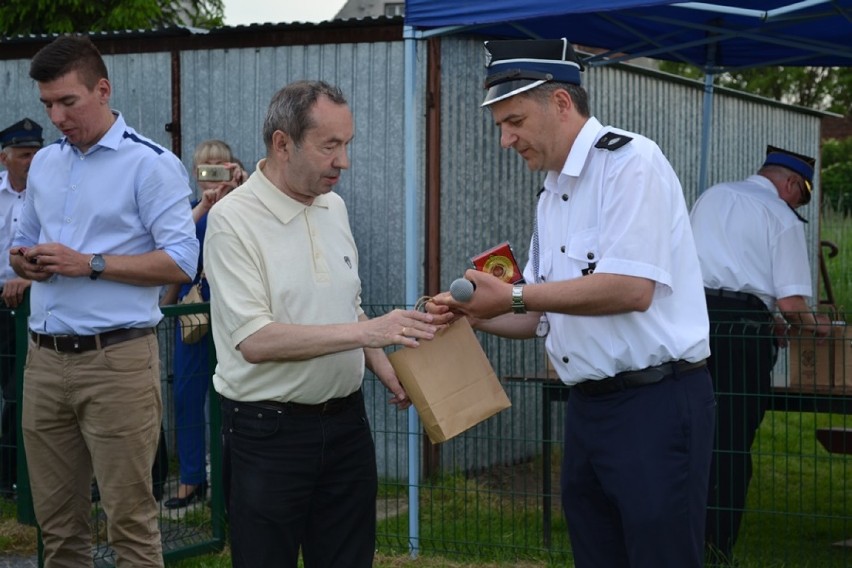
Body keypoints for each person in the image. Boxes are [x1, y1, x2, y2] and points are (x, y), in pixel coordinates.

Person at [429, 38, 716, 568]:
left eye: (513, 120)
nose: (505, 140)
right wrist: (475, 313)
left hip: (655, 403)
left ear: (561, 103)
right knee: (596, 552)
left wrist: (511, 295)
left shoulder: (631, 163)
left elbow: (631, 289)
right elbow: (540, 314)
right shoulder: (551, 191)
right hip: (589, 409)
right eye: (499, 126)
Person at [203, 79, 441, 568]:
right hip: (267, 435)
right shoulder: (231, 220)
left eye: (347, 144)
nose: (344, 162)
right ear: (282, 143)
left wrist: (384, 367)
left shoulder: (334, 206)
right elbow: (255, 340)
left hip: (347, 425)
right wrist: (368, 333)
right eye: (329, 146)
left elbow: (346, 307)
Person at [10, 34, 199, 567]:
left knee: (132, 528)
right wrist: (25, 262)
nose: (57, 116)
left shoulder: (151, 165)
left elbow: (183, 263)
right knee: (58, 530)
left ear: (102, 89)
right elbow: (20, 245)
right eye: (48, 104)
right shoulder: (45, 163)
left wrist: (88, 263)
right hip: (43, 361)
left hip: (117, 362)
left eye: (67, 102)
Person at [690, 145, 832, 563]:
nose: (796, 204)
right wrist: (819, 328)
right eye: (799, 196)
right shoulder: (781, 217)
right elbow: (792, 306)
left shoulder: (712, 195)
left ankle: (681, 539)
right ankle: (716, 546)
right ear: (791, 184)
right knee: (731, 443)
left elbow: (714, 271)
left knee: (692, 434)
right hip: (742, 335)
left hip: (693, 323)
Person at [160, 139, 246, 509]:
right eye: (205, 167)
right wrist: (164, 306)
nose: (212, 174)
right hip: (193, 311)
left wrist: (241, 189)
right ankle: (192, 478)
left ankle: (234, 483)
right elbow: (175, 259)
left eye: (220, 166)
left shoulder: (246, 203)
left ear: (233, 168)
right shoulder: (187, 211)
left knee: (233, 397)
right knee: (187, 395)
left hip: (233, 311)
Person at [0, 117, 42, 499]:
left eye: (36, 152)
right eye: (24, 154)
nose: (32, 160)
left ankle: (15, 478)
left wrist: (28, 279)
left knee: (22, 388)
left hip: (35, 297)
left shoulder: (50, 191)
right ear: (4, 158)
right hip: (0, 300)